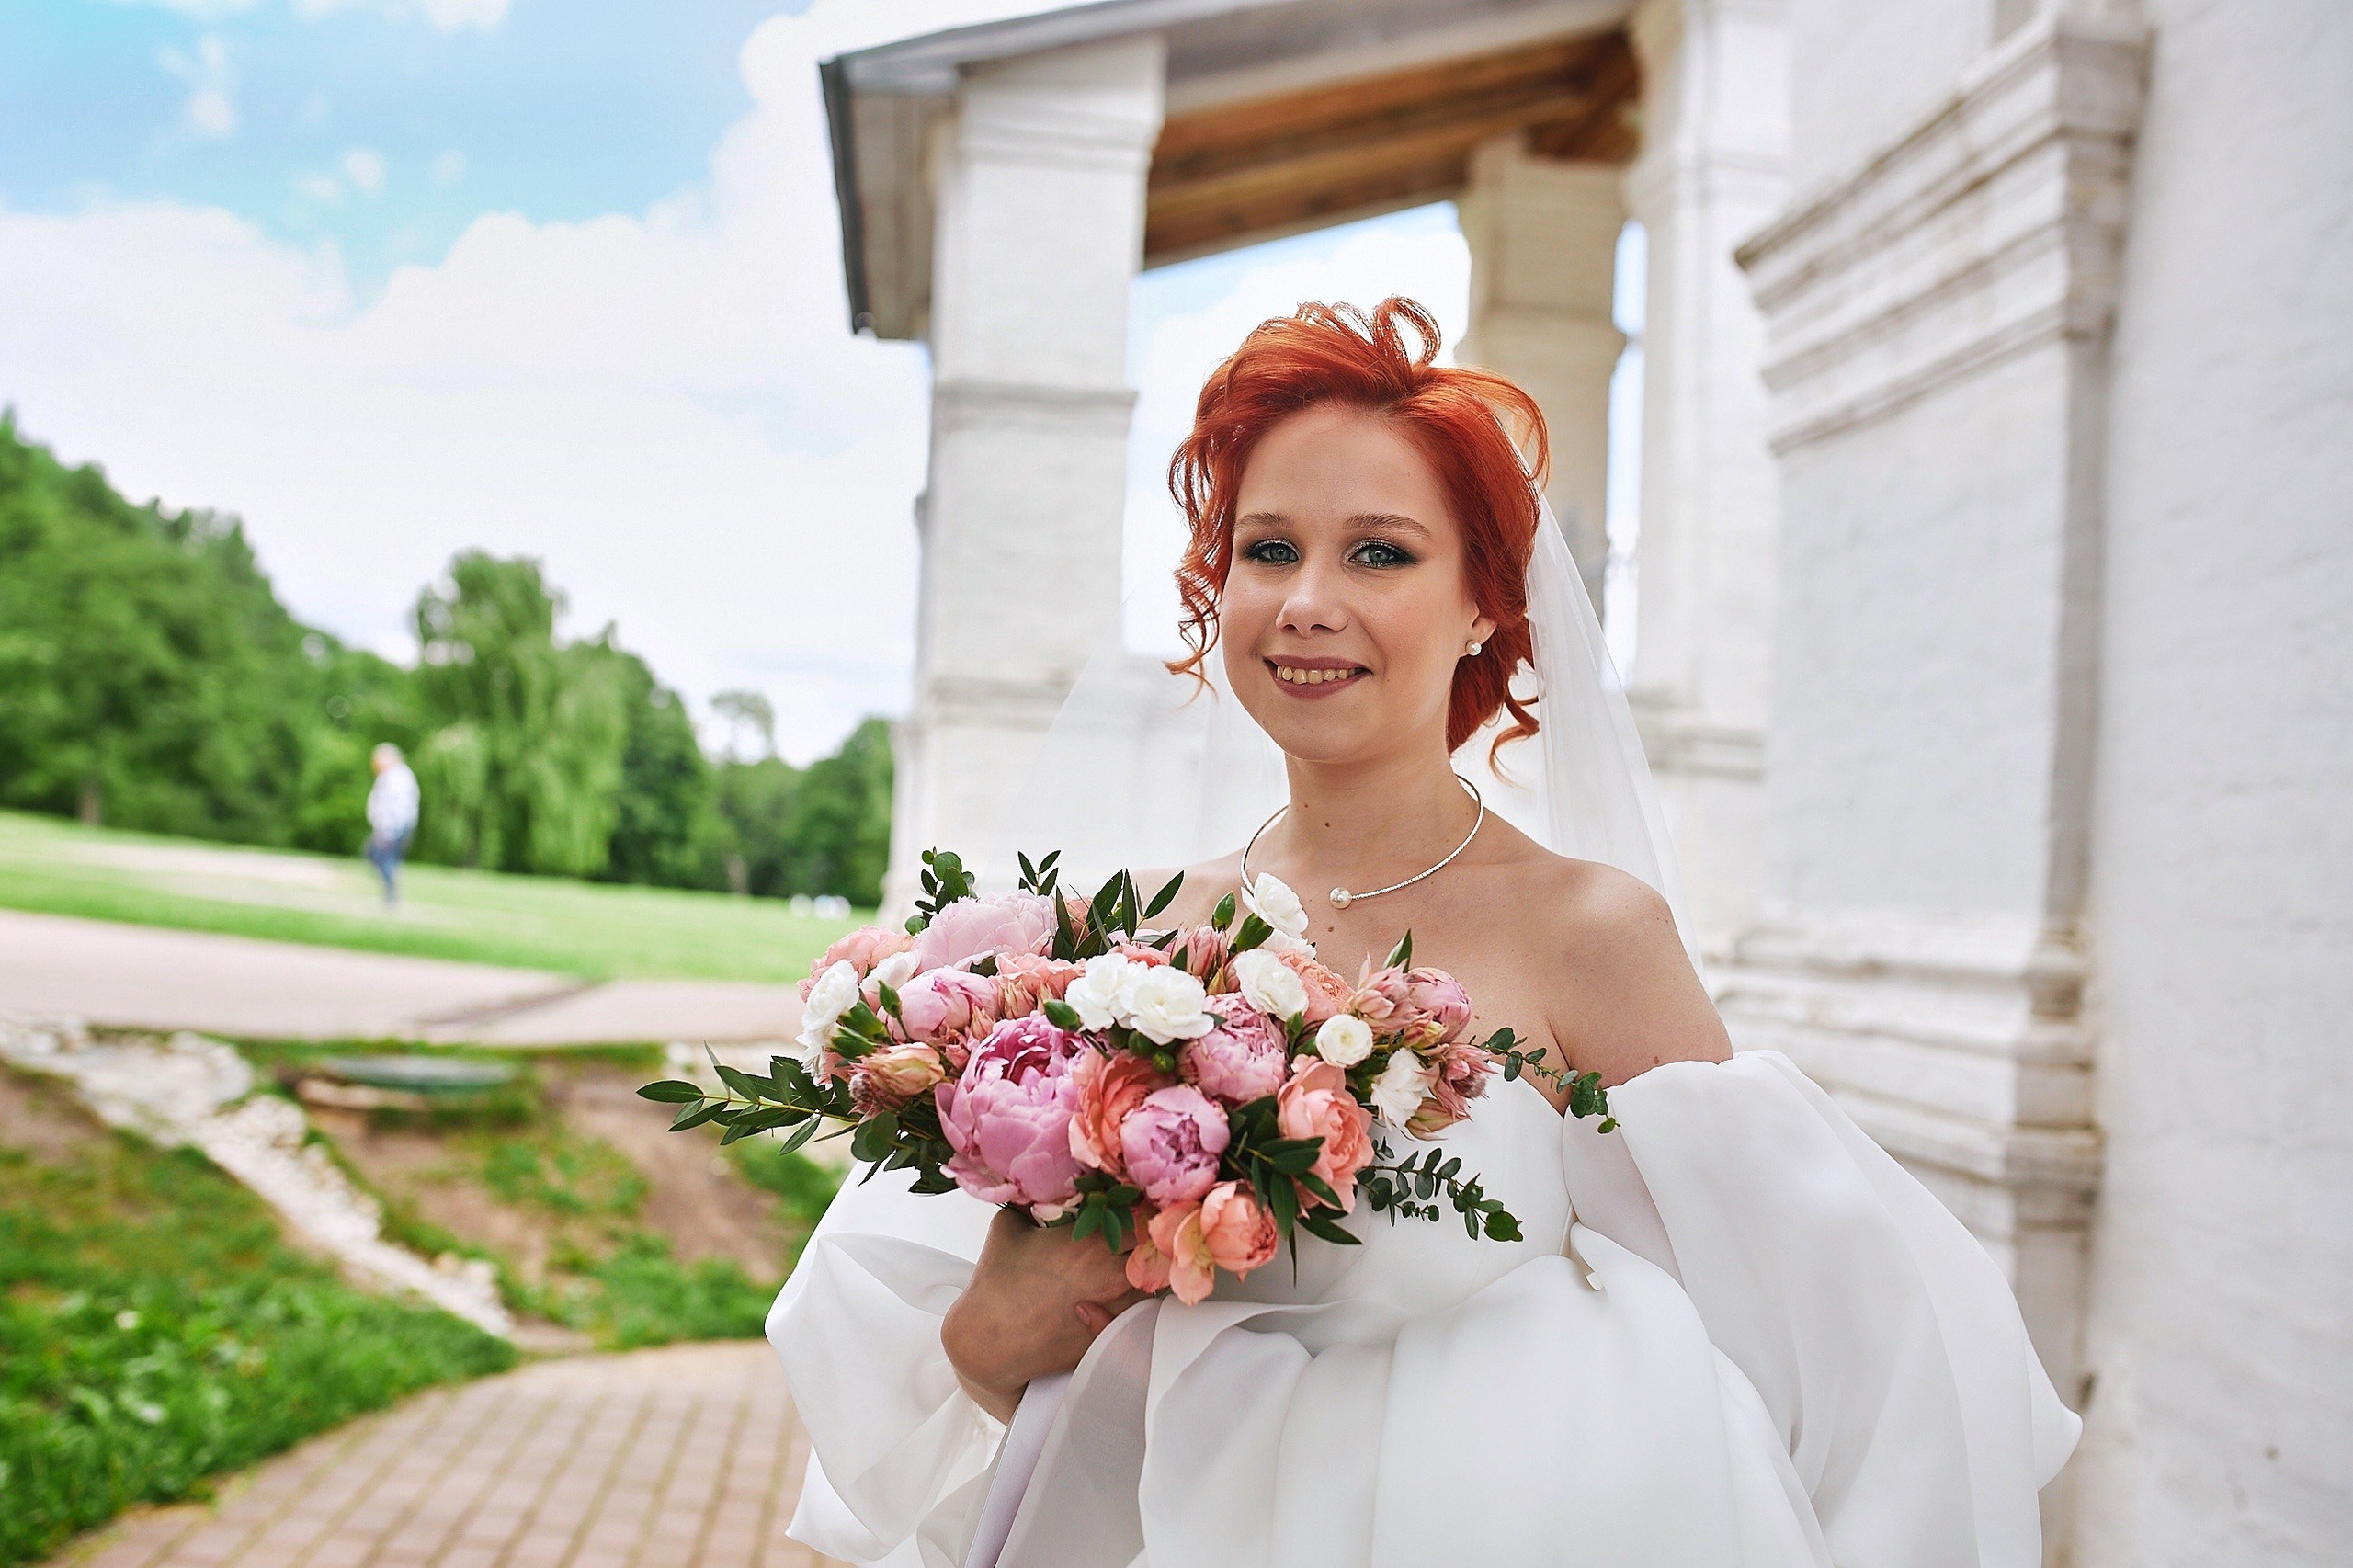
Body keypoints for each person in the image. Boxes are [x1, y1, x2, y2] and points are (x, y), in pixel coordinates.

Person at [769, 301, 2078, 1567]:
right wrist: (987, 1339)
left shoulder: (1591, 934)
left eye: (1380, 552)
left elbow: (1795, 1334)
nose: (1306, 601)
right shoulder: (1138, 939)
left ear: (1480, 609)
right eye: (1269, 549)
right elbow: (1021, 1373)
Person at [364, 743, 418, 905]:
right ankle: (390, 892)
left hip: (391, 827)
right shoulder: (396, 775)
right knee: (379, 858)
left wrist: (385, 829)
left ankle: (391, 895)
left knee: (381, 858)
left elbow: (393, 805)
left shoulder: (395, 776)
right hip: (394, 826)